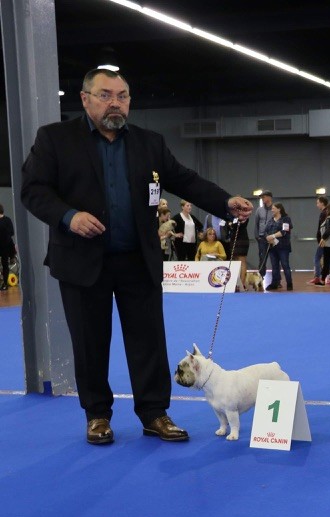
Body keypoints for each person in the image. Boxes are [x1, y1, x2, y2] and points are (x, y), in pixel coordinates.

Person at [20, 68, 253, 444]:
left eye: (123, 95)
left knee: (149, 342)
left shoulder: (150, 143)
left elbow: (186, 180)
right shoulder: (54, 139)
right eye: (105, 94)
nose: (115, 102)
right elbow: (32, 189)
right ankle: (97, 415)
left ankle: (155, 412)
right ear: (85, 99)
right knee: (90, 343)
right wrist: (69, 217)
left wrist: (225, 202)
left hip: (138, 261)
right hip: (81, 261)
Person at [265, 202, 293, 290]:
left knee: (285, 265)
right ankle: (275, 283)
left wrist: (273, 236)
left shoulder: (286, 219)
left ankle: (289, 283)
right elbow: (266, 231)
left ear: (279, 209)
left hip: (283, 247)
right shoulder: (270, 220)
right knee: (274, 266)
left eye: (273, 208)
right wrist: (268, 238)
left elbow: (284, 231)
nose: (272, 210)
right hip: (272, 247)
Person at [221, 216, 250, 291]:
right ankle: (237, 283)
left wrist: (231, 224)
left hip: (242, 239)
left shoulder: (244, 216)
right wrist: (230, 224)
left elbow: (240, 225)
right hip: (233, 239)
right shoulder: (232, 216)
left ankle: (242, 284)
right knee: (236, 261)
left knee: (242, 261)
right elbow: (227, 225)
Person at [253, 191, 273, 276]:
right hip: (262, 238)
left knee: (275, 259)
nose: (262, 199)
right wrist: (257, 237)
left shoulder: (275, 209)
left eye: (264, 197)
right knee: (262, 258)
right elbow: (256, 224)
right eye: (262, 197)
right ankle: (261, 278)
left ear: (269, 197)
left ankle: (277, 280)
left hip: (272, 238)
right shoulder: (259, 210)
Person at [0, 204, 15, 291]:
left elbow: (11, 233)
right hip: (5, 246)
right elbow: (11, 233)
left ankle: (5, 283)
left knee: (5, 265)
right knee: (5, 265)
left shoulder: (7, 220)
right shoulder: (8, 220)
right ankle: (4, 283)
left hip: (5, 246)